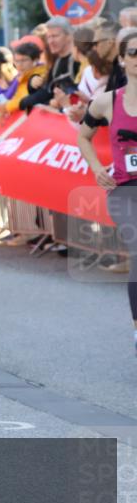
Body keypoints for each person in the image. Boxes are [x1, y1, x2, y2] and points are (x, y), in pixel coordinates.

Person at [78, 30, 137, 355]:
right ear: (123, 60)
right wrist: (97, 168)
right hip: (124, 189)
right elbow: (83, 136)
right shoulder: (107, 101)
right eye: (134, 53)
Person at [20, 17, 80, 113]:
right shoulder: (58, 61)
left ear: (69, 36)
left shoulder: (77, 61)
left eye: (55, 36)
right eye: (49, 37)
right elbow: (47, 90)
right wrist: (31, 84)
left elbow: (80, 94)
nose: (51, 41)